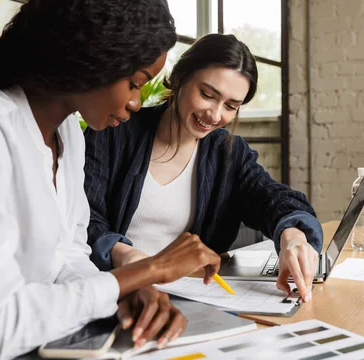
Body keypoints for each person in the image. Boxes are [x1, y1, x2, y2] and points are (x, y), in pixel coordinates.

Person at [0, 0, 222, 359]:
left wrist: (125, 292)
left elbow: (67, 256)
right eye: (135, 83)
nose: (136, 102)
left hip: (42, 345)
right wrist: (145, 271)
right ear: (95, 58)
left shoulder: (69, 134)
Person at [84, 34, 323, 303]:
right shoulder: (114, 133)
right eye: (207, 95)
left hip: (192, 295)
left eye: (231, 106)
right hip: (118, 291)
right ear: (180, 78)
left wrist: (292, 235)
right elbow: (82, 215)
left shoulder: (228, 154)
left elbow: (270, 197)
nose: (215, 115)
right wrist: (125, 255)